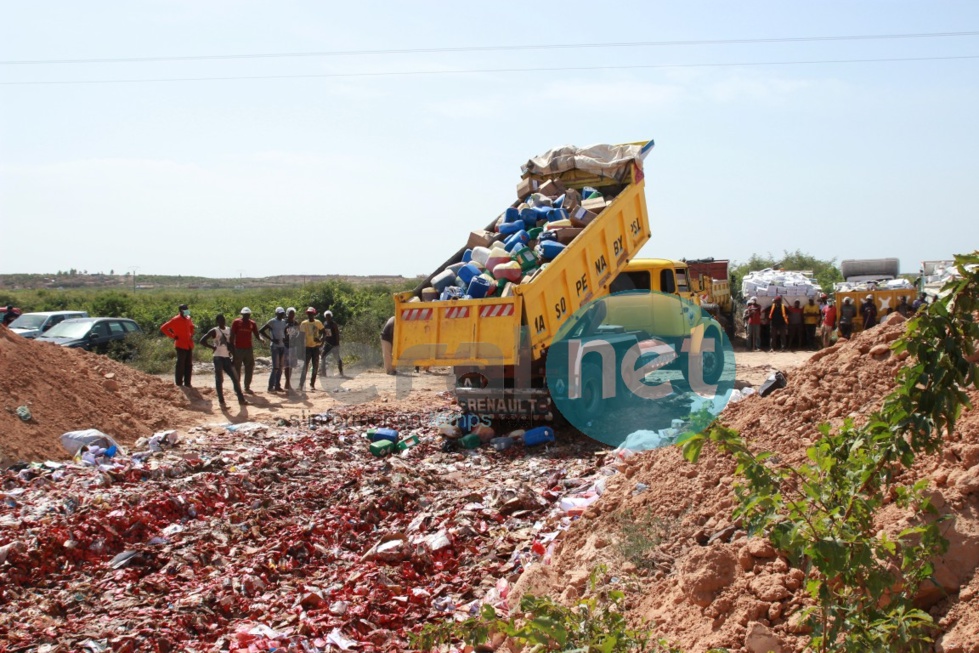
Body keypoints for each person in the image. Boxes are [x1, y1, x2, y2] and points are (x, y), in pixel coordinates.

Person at [199, 314, 247, 407]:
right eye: (221, 320)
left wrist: (234, 356)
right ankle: (221, 401)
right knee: (219, 379)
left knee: (235, 378)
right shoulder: (214, 330)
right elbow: (202, 340)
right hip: (218, 357)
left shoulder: (229, 330)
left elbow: (231, 344)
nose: (223, 321)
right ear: (217, 321)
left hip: (226, 357)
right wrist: (212, 347)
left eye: (223, 319)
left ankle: (241, 399)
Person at [160, 304, 195, 387]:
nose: (187, 311)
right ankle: (179, 383)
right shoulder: (175, 320)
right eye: (185, 309)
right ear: (180, 311)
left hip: (189, 344)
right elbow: (163, 328)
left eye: (187, 309)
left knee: (189, 364)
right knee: (180, 364)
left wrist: (191, 333)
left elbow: (191, 326)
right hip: (180, 345)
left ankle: (188, 383)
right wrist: (173, 336)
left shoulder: (188, 318)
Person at [230, 307, 263, 393]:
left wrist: (261, 339)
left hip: (248, 348)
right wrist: (232, 349)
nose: (246, 316)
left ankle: (247, 386)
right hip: (238, 348)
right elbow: (232, 335)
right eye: (245, 315)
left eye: (248, 315)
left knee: (249, 367)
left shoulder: (252, 323)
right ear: (242, 314)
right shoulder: (236, 322)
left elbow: (257, 334)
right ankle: (237, 387)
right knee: (237, 368)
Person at [259, 307, 289, 392]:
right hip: (275, 347)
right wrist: (272, 339)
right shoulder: (272, 321)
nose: (281, 315)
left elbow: (285, 331)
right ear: (276, 313)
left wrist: (285, 338)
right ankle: (270, 386)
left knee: (280, 367)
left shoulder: (284, 322)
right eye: (280, 313)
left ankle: (277, 385)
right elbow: (261, 330)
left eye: (282, 313)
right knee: (275, 367)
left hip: (282, 346)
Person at [299, 307, 325, 390]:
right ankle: (301, 384)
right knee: (305, 366)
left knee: (315, 366)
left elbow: (324, 332)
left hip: (315, 347)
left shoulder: (318, 323)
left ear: (314, 314)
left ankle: (312, 384)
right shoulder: (304, 324)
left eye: (311, 313)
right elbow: (301, 336)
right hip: (307, 347)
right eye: (308, 313)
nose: (310, 314)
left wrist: (321, 341)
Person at [320, 310, 345, 377]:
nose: (328, 317)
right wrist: (322, 339)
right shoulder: (325, 323)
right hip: (327, 343)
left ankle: (341, 372)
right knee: (323, 356)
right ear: (325, 317)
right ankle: (323, 373)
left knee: (337, 358)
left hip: (334, 343)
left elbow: (337, 334)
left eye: (329, 316)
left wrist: (337, 344)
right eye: (327, 316)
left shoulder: (333, 324)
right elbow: (324, 333)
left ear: (331, 316)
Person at [283, 307, 303, 391]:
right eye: (290, 313)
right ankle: (286, 383)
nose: (292, 315)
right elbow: (282, 332)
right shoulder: (284, 322)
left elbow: (299, 332)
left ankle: (288, 383)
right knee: (286, 365)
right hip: (286, 345)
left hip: (293, 346)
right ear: (287, 314)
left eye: (293, 313)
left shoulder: (295, 323)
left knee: (291, 365)